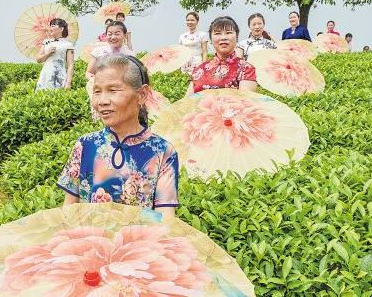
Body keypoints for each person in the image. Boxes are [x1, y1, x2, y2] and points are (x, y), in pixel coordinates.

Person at [57, 54, 180, 218]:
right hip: (89, 241)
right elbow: (69, 210)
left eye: (112, 90)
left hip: (140, 242)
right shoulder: (85, 145)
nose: (102, 101)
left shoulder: (162, 151)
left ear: (142, 95)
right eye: (97, 92)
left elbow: (165, 220)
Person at [187, 16, 257, 95]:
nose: (223, 37)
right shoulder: (199, 70)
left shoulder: (246, 69)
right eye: (218, 33)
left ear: (237, 37)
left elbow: (245, 101)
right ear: (211, 40)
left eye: (228, 33)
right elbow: (186, 103)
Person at [35, 18, 74, 90]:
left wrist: (68, 82)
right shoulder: (46, 42)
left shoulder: (68, 44)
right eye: (50, 26)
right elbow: (38, 60)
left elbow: (70, 65)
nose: (50, 28)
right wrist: (47, 53)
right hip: (45, 75)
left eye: (53, 26)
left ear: (61, 29)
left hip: (59, 75)